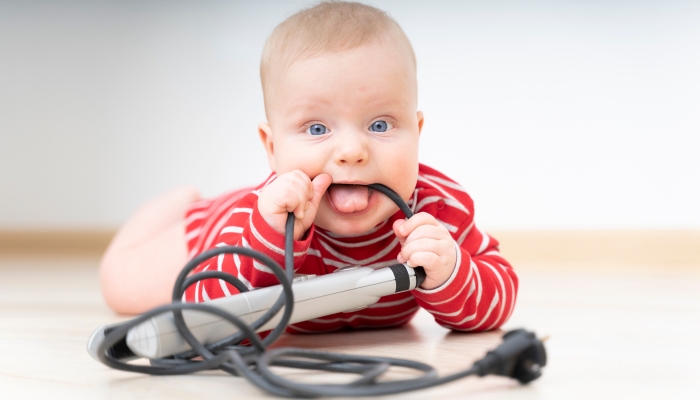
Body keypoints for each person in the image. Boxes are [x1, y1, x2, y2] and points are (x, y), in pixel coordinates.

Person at [99, 1, 518, 334]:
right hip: (212, 231)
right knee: (121, 283)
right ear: (273, 146)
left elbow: (500, 293)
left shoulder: (439, 210)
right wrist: (267, 239)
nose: (352, 151)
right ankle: (181, 203)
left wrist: (453, 273)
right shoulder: (257, 218)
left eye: (380, 124)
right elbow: (213, 311)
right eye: (317, 128)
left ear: (417, 130)